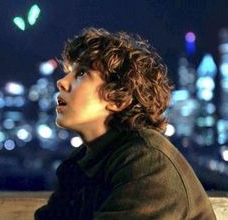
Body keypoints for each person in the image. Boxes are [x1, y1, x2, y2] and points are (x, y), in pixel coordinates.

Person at [34, 27, 216, 219]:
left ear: (119, 100)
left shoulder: (148, 162)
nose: (61, 82)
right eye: (69, 72)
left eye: (81, 74)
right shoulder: (84, 160)